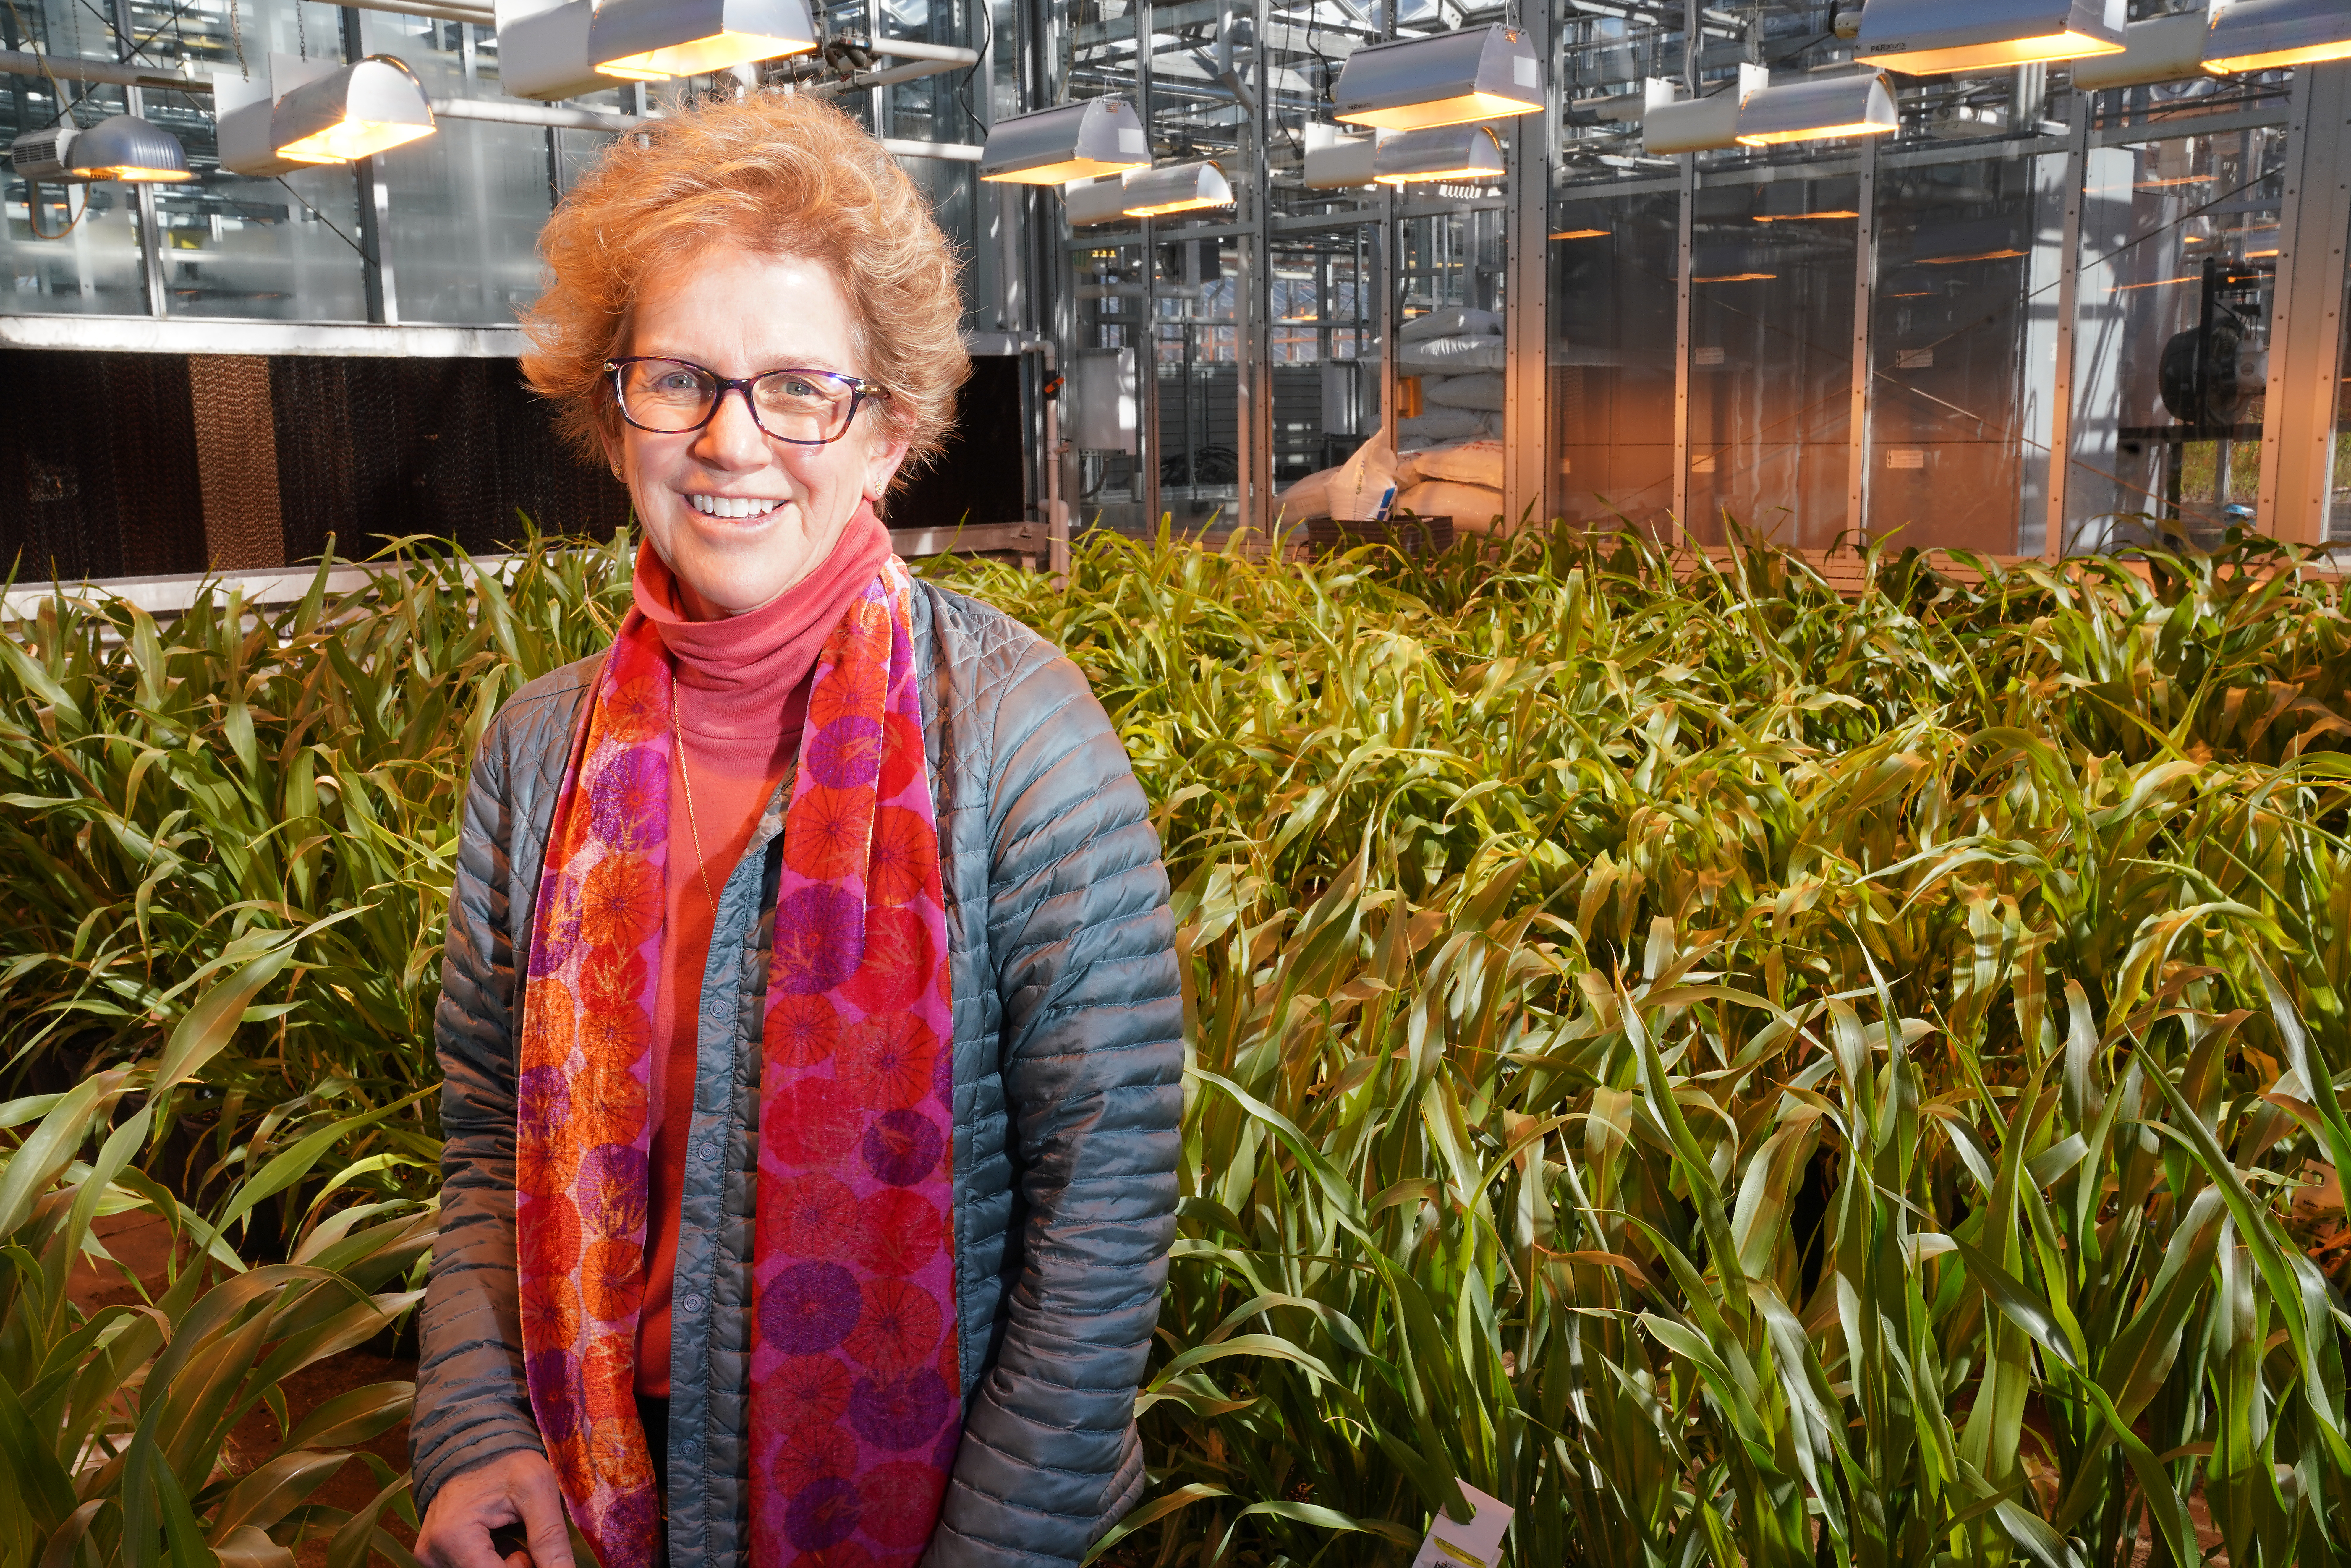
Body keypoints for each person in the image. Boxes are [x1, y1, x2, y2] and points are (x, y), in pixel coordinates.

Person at [409, 89, 1182, 1568]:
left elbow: (1102, 1214)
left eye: (796, 389)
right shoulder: (537, 754)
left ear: (884, 431)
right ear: (610, 403)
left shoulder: (1015, 740)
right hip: (593, 1502)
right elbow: (481, 1150)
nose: (729, 441)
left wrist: (997, 1555)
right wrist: (473, 1429)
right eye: (680, 379)